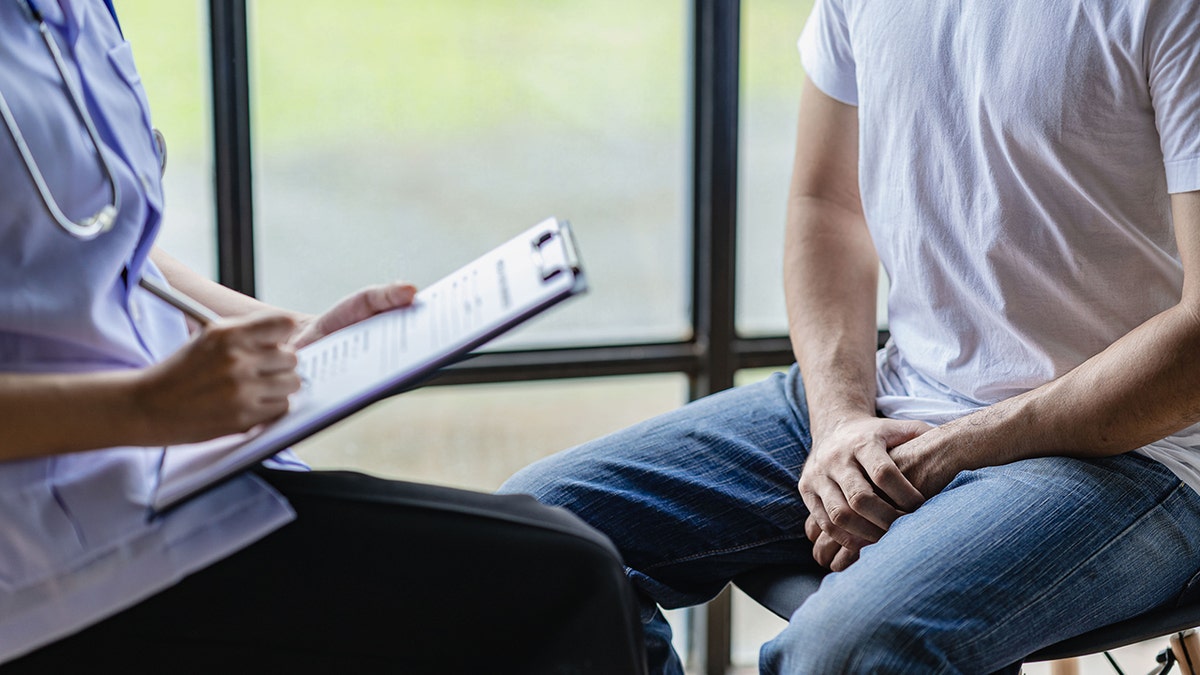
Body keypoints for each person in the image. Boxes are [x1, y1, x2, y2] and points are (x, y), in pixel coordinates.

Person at [501, 0, 1200, 672]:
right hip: (899, 394)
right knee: (536, 540)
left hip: (1132, 452)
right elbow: (825, 207)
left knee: (846, 651)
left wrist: (947, 454)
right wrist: (839, 423)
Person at [0, 1, 645, 672]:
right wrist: (146, 404)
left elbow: (111, 246)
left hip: (168, 484)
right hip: (50, 567)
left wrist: (290, 332)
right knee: (571, 581)